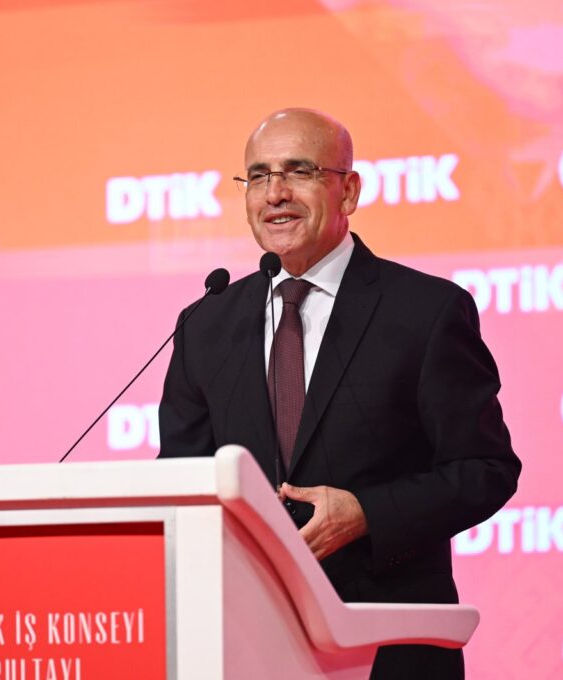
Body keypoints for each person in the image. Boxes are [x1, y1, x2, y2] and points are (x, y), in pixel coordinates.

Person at [157, 108, 521, 678]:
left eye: (299, 171)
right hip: (244, 645)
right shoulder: (207, 324)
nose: (275, 193)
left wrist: (365, 512)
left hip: (390, 646)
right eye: (258, 176)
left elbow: (486, 469)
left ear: (348, 191)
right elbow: (179, 478)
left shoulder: (425, 312)